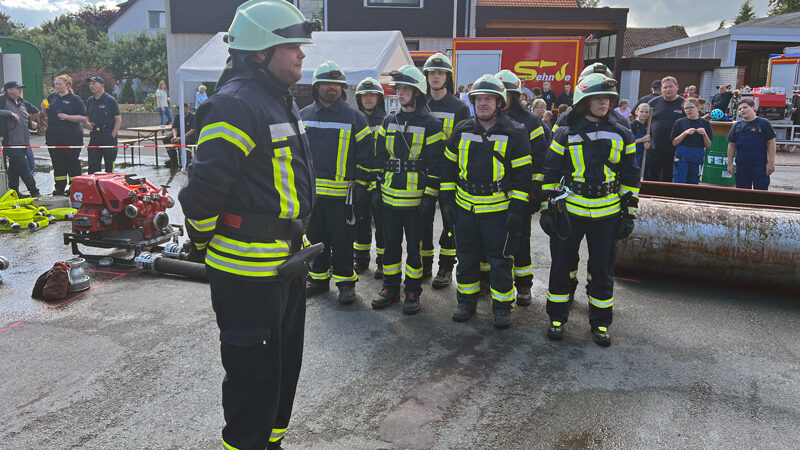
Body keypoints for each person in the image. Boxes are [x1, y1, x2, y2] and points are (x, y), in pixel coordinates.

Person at [178, 1, 321, 448]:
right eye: (292, 46)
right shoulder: (236, 105)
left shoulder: (274, 99)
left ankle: (270, 441)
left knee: (280, 371)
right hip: (247, 270)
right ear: (259, 53)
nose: (301, 54)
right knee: (253, 381)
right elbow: (202, 194)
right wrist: (202, 239)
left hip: (284, 262)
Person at [539, 73, 640, 346]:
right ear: (583, 101)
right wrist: (547, 209)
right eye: (598, 97)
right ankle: (557, 318)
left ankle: (601, 323)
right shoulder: (564, 132)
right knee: (561, 265)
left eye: (607, 98)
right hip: (570, 211)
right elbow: (550, 172)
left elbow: (631, 177)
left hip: (607, 213)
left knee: (603, 270)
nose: (604, 102)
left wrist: (628, 213)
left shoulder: (623, 133)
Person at [440, 74, 532, 328]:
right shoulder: (462, 130)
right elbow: (447, 169)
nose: (482, 103)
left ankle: (502, 308)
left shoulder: (515, 132)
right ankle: (466, 303)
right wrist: (447, 202)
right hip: (465, 208)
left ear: (499, 102)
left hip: (498, 211)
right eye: (478, 99)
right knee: (466, 258)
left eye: (488, 99)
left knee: (500, 261)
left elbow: (524, 177)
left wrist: (517, 210)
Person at [370, 65, 444, 315]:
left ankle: (412, 291)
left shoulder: (432, 124)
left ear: (418, 92)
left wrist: (430, 197)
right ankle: (390, 288)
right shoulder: (388, 121)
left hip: (416, 201)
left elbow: (436, 164)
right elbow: (378, 157)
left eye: (405, 89)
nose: (399, 93)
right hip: (389, 197)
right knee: (390, 246)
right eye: (398, 88)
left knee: (414, 247)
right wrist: (375, 189)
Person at [301, 60, 373, 304]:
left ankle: (345, 283)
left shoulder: (354, 116)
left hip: (343, 196)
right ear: (316, 86)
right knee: (315, 239)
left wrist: (362, 186)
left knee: (342, 241)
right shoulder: (303, 116)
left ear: (342, 88)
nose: (332, 88)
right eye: (327, 83)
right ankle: (318, 279)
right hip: (312, 196)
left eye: (337, 84)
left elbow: (366, 154)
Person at [496, 69, 548, 306]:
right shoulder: (491, 119)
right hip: (494, 192)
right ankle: (490, 280)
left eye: (504, 93)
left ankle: (524, 285)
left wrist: (535, 190)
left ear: (514, 95)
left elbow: (539, 159)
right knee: (493, 239)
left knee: (520, 239)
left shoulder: (531, 121)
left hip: (520, 191)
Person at [422, 52, 470, 289]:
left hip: (449, 172)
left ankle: (445, 266)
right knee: (422, 220)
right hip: (422, 172)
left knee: (450, 222)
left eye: (440, 73)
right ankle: (424, 262)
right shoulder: (419, 103)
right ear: (426, 76)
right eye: (432, 72)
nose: (435, 77)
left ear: (447, 77)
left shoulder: (459, 107)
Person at [352, 77, 387, 278]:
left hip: (381, 182)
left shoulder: (387, 121)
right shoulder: (356, 119)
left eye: (372, 94)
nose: (368, 98)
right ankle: (362, 260)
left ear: (379, 98)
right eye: (364, 95)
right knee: (361, 222)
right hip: (360, 181)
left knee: (383, 225)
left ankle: (382, 262)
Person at [43, 74, 86, 195]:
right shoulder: (52, 97)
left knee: (72, 162)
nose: (57, 86)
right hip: (53, 137)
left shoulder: (74, 99)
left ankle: (74, 187)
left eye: (59, 84)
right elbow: (47, 115)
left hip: (71, 137)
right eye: (56, 84)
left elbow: (83, 117)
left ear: (67, 85)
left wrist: (68, 117)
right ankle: (59, 187)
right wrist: (45, 109)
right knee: (57, 163)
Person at [0, 81, 40, 197]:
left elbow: (23, 119)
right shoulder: (3, 100)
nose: (20, 90)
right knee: (24, 167)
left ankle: (14, 192)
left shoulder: (22, 102)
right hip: (10, 142)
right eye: (17, 88)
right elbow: (11, 116)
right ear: (9, 90)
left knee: (14, 168)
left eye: (21, 88)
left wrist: (31, 124)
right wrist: (9, 113)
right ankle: (34, 192)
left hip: (23, 142)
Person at [727, 99, 777, 190]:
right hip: (742, 166)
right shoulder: (736, 126)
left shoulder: (763, 123)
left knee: (761, 192)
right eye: (740, 109)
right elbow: (731, 145)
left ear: (753, 107)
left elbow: (771, 143)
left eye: (745, 107)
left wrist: (771, 162)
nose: (742, 110)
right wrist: (730, 163)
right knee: (742, 193)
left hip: (760, 165)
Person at [646, 76, 684, 182]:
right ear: (661, 89)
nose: (668, 89)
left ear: (677, 87)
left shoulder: (684, 104)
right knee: (653, 175)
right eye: (665, 87)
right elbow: (644, 122)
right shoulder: (653, 103)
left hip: (675, 149)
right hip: (655, 148)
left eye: (671, 87)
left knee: (669, 176)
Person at [85, 76, 122, 174]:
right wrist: (87, 123)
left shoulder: (110, 100)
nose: (91, 86)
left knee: (109, 166)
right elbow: (87, 116)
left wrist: (112, 135)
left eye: (94, 83)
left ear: (102, 85)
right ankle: (94, 187)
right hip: (95, 135)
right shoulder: (90, 100)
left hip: (108, 134)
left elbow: (118, 119)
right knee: (93, 165)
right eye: (90, 84)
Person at [670, 98, 712, 184]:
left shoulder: (705, 123)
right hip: (681, 159)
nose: (688, 110)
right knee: (679, 182)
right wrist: (684, 133)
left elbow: (708, 145)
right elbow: (674, 142)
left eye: (691, 107)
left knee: (693, 184)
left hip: (697, 159)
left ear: (698, 108)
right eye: (686, 108)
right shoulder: (680, 122)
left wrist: (704, 134)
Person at [162, 103, 196, 169]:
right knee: (166, 139)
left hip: (189, 136)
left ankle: (187, 161)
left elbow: (193, 130)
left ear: (187, 108)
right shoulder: (178, 116)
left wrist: (182, 138)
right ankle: (173, 161)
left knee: (186, 141)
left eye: (183, 108)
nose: (181, 110)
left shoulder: (193, 116)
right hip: (179, 135)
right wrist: (174, 136)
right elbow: (174, 128)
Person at [630, 102, 651, 175]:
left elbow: (649, 140)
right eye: (641, 111)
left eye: (646, 112)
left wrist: (648, 144)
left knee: (645, 173)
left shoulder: (647, 126)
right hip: (634, 154)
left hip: (644, 154)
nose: (644, 114)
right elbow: (629, 142)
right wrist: (642, 140)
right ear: (636, 112)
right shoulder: (633, 125)